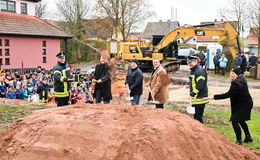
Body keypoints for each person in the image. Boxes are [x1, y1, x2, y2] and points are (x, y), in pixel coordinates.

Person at [210, 68, 253, 145]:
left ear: (237, 74)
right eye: (230, 73)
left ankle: (239, 141)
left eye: (233, 73)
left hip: (244, 105)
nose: (231, 75)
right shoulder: (239, 80)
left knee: (235, 120)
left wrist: (214, 97)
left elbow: (228, 94)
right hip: (242, 103)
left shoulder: (237, 83)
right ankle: (248, 137)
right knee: (241, 120)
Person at [187, 56, 209, 123]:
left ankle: (202, 132)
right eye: (188, 62)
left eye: (191, 62)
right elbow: (192, 80)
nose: (189, 64)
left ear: (196, 62)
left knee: (198, 118)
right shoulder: (193, 70)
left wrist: (192, 93)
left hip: (200, 98)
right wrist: (189, 84)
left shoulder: (199, 71)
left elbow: (200, 85)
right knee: (196, 117)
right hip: (196, 98)